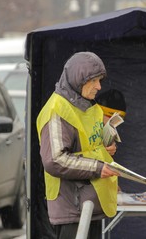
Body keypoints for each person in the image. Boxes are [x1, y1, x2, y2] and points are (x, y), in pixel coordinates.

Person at [36, 52, 120, 239]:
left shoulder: (87, 105)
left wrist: (106, 148)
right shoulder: (56, 110)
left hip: (90, 205)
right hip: (72, 209)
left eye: (100, 80)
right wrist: (98, 167)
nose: (99, 87)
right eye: (94, 81)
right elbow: (55, 160)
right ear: (79, 79)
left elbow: (89, 145)